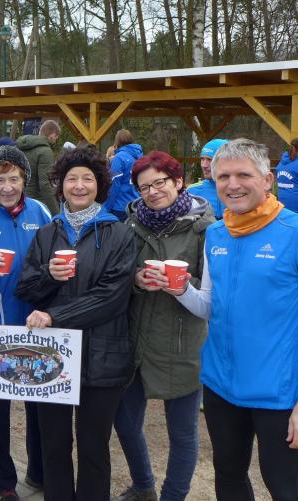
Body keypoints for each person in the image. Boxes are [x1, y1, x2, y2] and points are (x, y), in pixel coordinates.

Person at [164, 139, 298, 500]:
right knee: (228, 477)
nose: (232, 185)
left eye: (243, 175)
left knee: (283, 488)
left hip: (279, 393)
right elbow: (211, 306)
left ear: (267, 179)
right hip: (221, 387)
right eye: (223, 177)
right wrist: (180, 289)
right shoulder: (216, 233)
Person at [15, 146, 136, 501]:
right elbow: (26, 288)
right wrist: (49, 276)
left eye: (87, 178)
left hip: (103, 355)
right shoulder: (47, 233)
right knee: (54, 445)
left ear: (99, 184)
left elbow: (112, 297)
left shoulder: (119, 233)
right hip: (51, 357)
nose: (79, 186)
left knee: (93, 447)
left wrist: (56, 316)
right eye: (71, 179)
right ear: (61, 185)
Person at [112, 151, 214, 501]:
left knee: (182, 433)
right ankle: (143, 486)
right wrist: (136, 279)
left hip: (181, 343)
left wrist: (181, 284)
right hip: (136, 340)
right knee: (125, 422)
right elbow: (119, 273)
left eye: (160, 183)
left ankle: (172, 496)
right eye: (144, 187)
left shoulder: (205, 230)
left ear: (179, 181)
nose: (152, 192)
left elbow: (213, 292)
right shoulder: (130, 225)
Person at [0, 146, 52, 501]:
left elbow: (54, 257)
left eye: (14, 178)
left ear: (24, 180)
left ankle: (39, 472)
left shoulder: (41, 212)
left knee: (39, 405)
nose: (7, 187)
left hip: (37, 326)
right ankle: (3, 483)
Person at [15, 119, 60, 214]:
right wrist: (56, 213)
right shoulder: (45, 152)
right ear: (52, 135)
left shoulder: (19, 148)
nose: (56, 140)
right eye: (56, 137)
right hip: (36, 203)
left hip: (17, 199)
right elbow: (45, 185)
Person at [103, 129, 143, 221]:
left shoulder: (119, 158)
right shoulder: (140, 157)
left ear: (117, 141)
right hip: (136, 204)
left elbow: (115, 184)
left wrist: (107, 207)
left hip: (120, 207)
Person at [187, 138, 227, 220]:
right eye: (202, 159)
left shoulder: (238, 190)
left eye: (210, 160)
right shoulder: (192, 191)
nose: (204, 165)